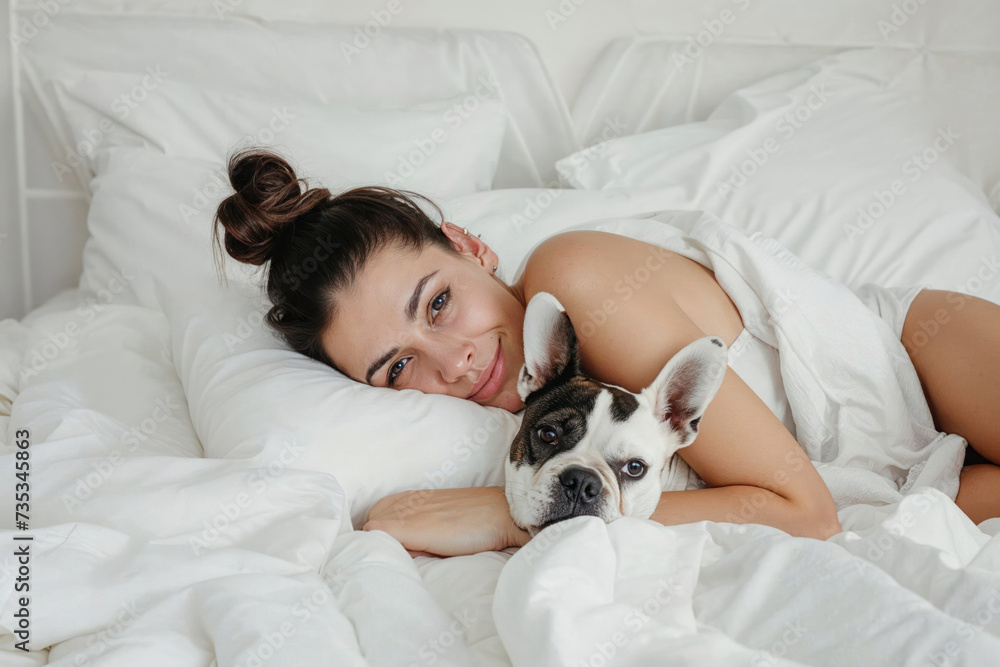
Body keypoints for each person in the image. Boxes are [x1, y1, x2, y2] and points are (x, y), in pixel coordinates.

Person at [214, 147, 1000, 558]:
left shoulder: (574, 281)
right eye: (397, 365)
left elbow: (806, 513)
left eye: (439, 302)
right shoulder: (532, 408)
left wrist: (518, 513)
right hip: (903, 480)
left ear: (468, 245)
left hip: (918, 362)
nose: (449, 361)